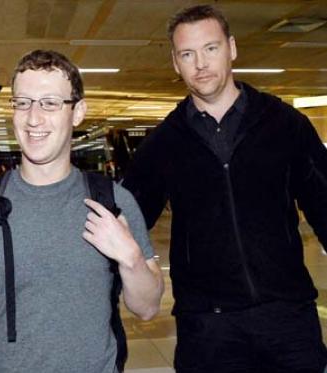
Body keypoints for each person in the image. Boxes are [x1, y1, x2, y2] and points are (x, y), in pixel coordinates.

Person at [122, 5, 327, 372]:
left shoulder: (284, 124)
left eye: (211, 48)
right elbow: (129, 222)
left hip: (288, 319)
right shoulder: (164, 143)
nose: (200, 63)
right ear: (175, 62)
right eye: (187, 54)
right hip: (207, 329)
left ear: (231, 48)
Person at [0, 50, 163, 373]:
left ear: (77, 112)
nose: (33, 118)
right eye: (23, 102)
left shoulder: (112, 202)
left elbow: (148, 308)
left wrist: (131, 258)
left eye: (49, 103)